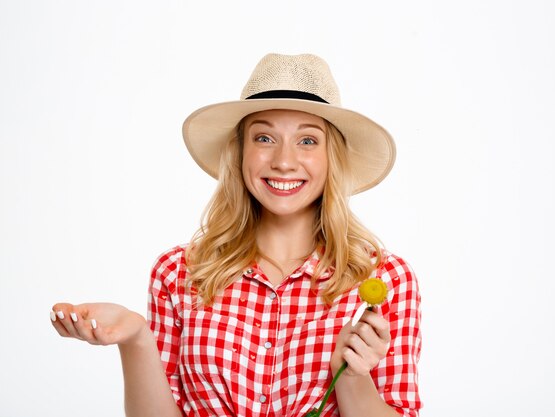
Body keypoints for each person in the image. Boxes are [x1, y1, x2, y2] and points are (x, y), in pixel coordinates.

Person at [50, 53, 422, 417]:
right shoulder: (179, 272)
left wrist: (353, 376)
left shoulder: (384, 280)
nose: (284, 161)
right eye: (264, 138)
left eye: (308, 141)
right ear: (241, 151)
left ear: (332, 158)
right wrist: (135, 339)